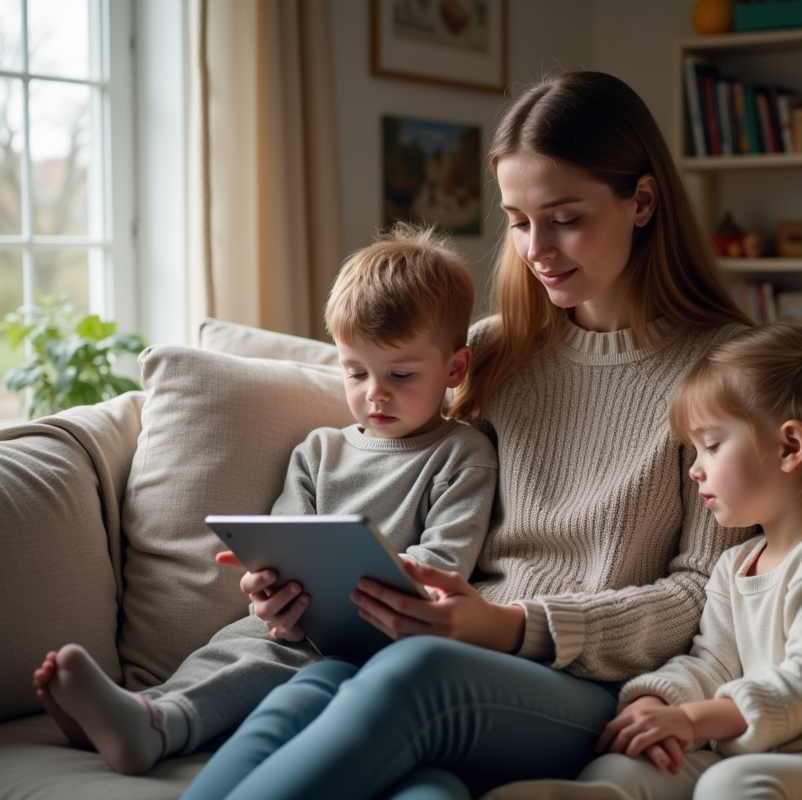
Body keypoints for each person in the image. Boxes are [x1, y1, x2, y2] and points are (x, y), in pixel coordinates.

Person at [176, 70, 755, 800]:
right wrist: (301, 594)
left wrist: (510, 626)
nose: (536, 247)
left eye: (565, 217)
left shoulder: (725, 374)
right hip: (448, 652)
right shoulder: (491, 354)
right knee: (342, 703)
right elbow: (417, 490)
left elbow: (706, 594)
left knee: (413, 676)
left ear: (641, 201)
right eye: (518, 220)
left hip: (587, 684)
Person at [31, 223, 498, 775]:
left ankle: (157, 726)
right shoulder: (318, 452)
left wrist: (369, 584)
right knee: (244, 638)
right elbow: (285, 542)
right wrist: (265, 589)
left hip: (391, 641)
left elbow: (444, 566)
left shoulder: (462, 454)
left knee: (279, 664)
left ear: (454, 368)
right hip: (300, 622)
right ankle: (142, 714)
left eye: (401, 373)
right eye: (355, 371)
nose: (375, 392)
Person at [491, 323, 802, 800]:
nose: (696, 467)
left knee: (728, 785)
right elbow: (712, 663)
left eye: (712, 445)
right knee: (625, 768)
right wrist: (660, 700)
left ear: (790, 447)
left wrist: (692, 718)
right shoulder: (735, 564)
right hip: (744, 749)